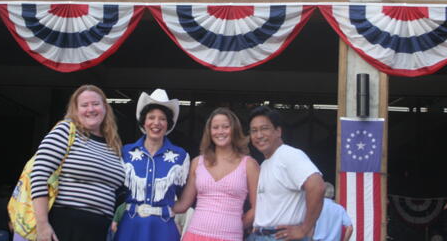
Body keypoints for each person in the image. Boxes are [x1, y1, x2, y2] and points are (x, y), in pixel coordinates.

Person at [14, 84, 125, 241]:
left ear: (105, 108)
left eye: (96, 104)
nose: (91, 109)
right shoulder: (65, 131)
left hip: (99, 229)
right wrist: (42, 224)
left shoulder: (113, 145)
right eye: (84, 105)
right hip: (64, 224)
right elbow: (38, 174)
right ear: (76, 110)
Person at [173, 107, 260, 241]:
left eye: (225, 127)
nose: (220, 131)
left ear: (234, 129)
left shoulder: (249, 165)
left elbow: (258, 207)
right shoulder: (197, 163)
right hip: (194, 234)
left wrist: (236, 225)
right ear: (209, 131)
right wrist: (155, 206)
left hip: (230, 237)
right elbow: (184, 204)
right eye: (215, 127)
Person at [114, 89, 190, 241]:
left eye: (162, 119)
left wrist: (168, 211)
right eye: (151, 117)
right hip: (130, 226)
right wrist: (114, 219)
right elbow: (115, 190)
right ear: (144, 121)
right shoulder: (126, 152)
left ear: (168, 124)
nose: (156, 123)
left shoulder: (181, 156)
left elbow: (184, 197)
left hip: (163, 228)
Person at [247, 106, 325, 241]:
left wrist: (304, 229)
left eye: (264, 128)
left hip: (279, 236)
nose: (259, 135)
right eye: (254, 131)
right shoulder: (265, 164)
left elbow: (317, 186)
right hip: (261, 235)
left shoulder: (289, 155)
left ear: (278, 131)